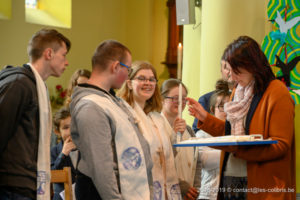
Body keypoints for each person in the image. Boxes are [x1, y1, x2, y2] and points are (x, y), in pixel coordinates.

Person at [187, 36, 295, 200]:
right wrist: (205, 118)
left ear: (252, 65)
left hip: (262, 185)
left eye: (236, 71)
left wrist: (240, 150)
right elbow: (231, 134)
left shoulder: (276, 92)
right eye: (229, 71)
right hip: (230, 177)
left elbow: (281, 144)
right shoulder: (238, 93)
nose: (232, 77)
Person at [70, 40, 153, 200]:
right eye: (127, 69)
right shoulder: (91, 106)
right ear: (115, 66)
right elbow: (101, 166)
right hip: (100, 192)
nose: (128, 75)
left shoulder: (110, 100)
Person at [0, 28, 70, 200]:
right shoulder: (19, 84)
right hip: (12, 187)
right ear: (48, 54)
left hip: (26, 185)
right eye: (64, 55)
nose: (67, 62)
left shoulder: (35, 87)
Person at [118, 61, 181, 200]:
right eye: (141, 78)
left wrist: (176, 134)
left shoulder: (157, 118)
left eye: (152, 79)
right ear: (129, 83)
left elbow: (168, 154)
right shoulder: (124, 114)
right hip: (140, 189)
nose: (148, 83)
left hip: (165, 189)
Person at [160, 78, 200, 200]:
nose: (180, 102)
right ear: (162, 99)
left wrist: (195, 189)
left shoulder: (189, 131)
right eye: (174, 98)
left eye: (183, 99)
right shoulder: (154, 127)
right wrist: (181, 188)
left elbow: (197, 163)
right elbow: (158, 163)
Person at [195, 79, 231, 200]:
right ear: (211, 110)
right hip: (209, 194)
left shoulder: (237, 132)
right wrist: (236, 150)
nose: (226, 111)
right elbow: (204, 161)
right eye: (221, 106)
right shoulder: (202, 134)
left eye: (229, 105)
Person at [192, 58, 234, 133]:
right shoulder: (206, 99)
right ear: (221, 71)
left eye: (234, 68)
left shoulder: (248, 96)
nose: (230, 72)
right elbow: (197, 133)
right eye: (226, 68)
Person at [51, 107, 76, 200]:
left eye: (73, 126)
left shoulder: (85, 148)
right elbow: (53, 174)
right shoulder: (54, 151)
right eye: (65, 128)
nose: (70, 131)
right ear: (57, 132)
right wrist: (63, 154)